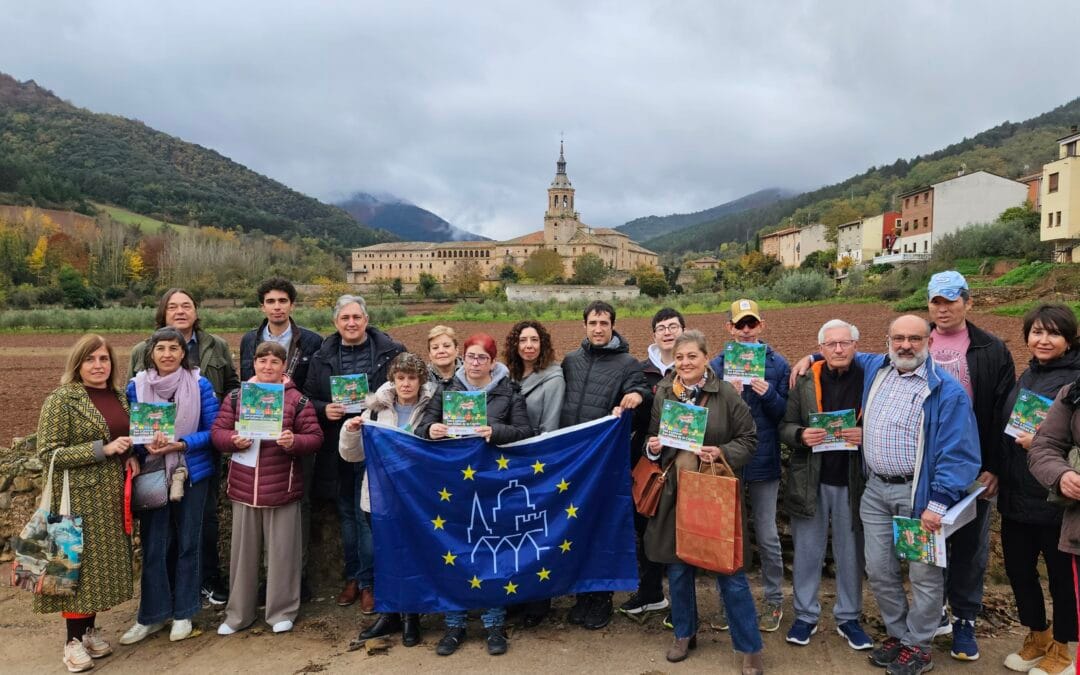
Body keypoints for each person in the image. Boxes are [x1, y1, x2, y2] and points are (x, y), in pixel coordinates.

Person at [859, 315, 980, 675]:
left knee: (924, 577)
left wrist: (937, 503)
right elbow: (838, 351)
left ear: (929, 341)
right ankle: (899, 635)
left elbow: (959, 453)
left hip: (919, 496)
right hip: (875, 491)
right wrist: (812, 357)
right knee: (879, 570)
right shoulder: (878, 371)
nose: (905, 345)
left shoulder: (945, 390)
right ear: (888, 340)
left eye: (914, 338)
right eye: (898, 338)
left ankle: (919, 646)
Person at [642, 330, 764, 672]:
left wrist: (721, 451)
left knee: (729, 571)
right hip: (676, 492)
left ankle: (749, 646)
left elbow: (749, 440)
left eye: (692, 357)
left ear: (705, 357)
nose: (685, 363)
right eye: (680, 358)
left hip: (712, 493)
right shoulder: (665, 391)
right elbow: (654, 438)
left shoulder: (724, 393)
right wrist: (652, 447)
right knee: (678, 568)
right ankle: (684, 633)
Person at [415, 333, 533, 656]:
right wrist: (432, 430)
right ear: (462, 359)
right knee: (455, 550)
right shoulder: (447, 389)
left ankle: (494, 622)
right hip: (454, 485)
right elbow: (421, 428)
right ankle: (455, 623)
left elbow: (525, 433)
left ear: (493, 361)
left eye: (483, 357)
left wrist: (497, 432)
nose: (476, 362)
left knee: (491, 551)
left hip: (493, 485)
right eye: (471, 356)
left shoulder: (509, 392)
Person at [34, 335, 138, 673]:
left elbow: (124, 437)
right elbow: (47, 453)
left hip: (108, 498)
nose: (98, 365)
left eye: (104, 359)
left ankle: (90, 632)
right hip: (74, 499)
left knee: (97, 573)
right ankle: (72, 643)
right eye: (90, 359)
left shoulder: (119, 396)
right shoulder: (62, 399)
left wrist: (130, 456)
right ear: (77, 364)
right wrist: (101, 450)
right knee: (73, 570)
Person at [129, 288, 240, 606]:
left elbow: (232, 386)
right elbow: (133, 402)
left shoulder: (214, 345)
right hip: (154, 459)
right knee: (160, 528)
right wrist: (141, 444)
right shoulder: (143, 349)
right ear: (162, 313)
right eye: (173, 306)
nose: (180, 311)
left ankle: (205, 582)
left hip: (200, 451)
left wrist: (220, 420)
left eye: (187, 305)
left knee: (203, 519)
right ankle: (168, 591)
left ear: (196, 311)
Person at [925, 270, 1014, 661]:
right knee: (930, 541)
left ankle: (964, 619)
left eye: (951, 301)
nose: (943, 309)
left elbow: (1001, 414)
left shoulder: (991, 350)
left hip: (973, 465)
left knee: (971, 547)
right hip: (924, 464)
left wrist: (993, 465)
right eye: (936, 302)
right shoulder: (916, 341)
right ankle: (935, 612)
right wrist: (811, 356)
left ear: (968, 302)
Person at [211, 342, 324, 634]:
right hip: (244, 488)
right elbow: (218, 433)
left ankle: (281, 611)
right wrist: (232, 439)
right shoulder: (237, 397)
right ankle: (238, 614)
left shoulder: (297, 400)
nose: (268, 367)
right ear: (254, 365)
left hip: (282, 488)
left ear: (284, 366)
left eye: (275, 361)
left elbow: (315, 437)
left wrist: (294, 442)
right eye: (263, 361)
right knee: (242, 557)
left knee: (283, 554)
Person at [303, 294, 404, 613]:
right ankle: (353, 576)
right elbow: (308, 396)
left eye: (356, 317)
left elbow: (406, 390)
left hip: (375, 443)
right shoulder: (321, 355)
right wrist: (324, 409)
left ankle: (369, 582)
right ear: (336, 322)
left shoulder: (391, 351)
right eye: (345, 318)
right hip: (336, 444)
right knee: (346, 511)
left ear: (366, 319)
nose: (351, 323)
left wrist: (377, 403)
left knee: (365, 514)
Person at [120, 327, 220, 645]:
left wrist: (181, 444)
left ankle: (184, 613)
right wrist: (141, 448)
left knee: (189, 543)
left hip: (191, 472)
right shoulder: (136, 387)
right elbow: (130, 431)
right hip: (151, 474)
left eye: (173, 348)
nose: (167, 354)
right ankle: (151, 615)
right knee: (155, 545)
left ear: (182, 353)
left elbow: (214, 431)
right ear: (151, 353)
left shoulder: (199, 384)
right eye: (160, 348)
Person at [778, 320, 872, 650]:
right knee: (806, 552)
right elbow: (786, 426)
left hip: (854, 481)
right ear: (820, 349)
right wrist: (801, 435)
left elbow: (904, 352)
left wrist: (867, 436)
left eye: (844, 343)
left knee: (851, 554)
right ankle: (805, 616)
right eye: (830, 344)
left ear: (855, 345)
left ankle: (849, 618)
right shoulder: (804, 378)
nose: (838, 349)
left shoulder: (872, 377)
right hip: (811, 481)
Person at [998, 305, 1080, 675]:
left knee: (1063, 579)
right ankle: (1038, 636)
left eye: (1053, 333)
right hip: (1018, 493)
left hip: (1058, 501)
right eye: (1036, 332)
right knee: (1019, 571)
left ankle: (1065, 648)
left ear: (1069, 339)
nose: (1043, 340)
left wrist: (1044, 444)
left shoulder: (1076, 381)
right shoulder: (1029, 374)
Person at [560, 300, 648, 630]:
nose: (598, 328)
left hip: (604, 464)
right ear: (584, 325)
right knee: (577, 529)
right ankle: (583, 595)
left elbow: (640, 391)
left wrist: (637, 397)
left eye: (604, 323)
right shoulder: (571, 360)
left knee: (603, 529)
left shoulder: (628, 363)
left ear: (613, 326)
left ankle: (602, 599)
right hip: (573, 462)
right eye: (593, 323)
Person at [340, 352, 437, 648]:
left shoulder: (433, 408)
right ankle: (389, 612)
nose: (406, 384)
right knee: (385, 556)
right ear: (392, 380)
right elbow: (352, 455)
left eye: (412, 378)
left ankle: (411, 617)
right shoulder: (375, 410)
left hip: (417, 496)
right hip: (379, 496)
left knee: (412, 555)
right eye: (401, 378)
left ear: (421, 380)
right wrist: (351, 431)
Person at [707, 299, 790, 633]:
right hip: (728, 461)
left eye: (751, 324)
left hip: (764, 461)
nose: (745, 330)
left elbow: (785, 415)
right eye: (739, 324)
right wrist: (731, 396)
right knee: (728, 536)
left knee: (768, 536)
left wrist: (768, 394)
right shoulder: (716, 364)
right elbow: (711, 419)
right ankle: (733, 603)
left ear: (761, 325)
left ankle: (773, 601)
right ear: (729, 327)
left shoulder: (779, 364)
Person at [238, 277, 322, 603]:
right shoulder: (249, 340)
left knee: (299, 505)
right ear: (262, 306)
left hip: (294, 436)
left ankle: (295, 578)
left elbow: (314, 391)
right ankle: (265, 580)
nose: (277, 306)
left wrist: (294, 422)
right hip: (256, 441)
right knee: (257, 507)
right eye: (270, 301)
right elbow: (245, 385)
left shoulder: (311, 342)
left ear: (292, 305)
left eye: (282, 301)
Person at [621, 308, 682, 620]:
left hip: (686, 462)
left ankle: (683, 604)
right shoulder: (640, 370)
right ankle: (651, 593)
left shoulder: (696, 368)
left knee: (681, 531)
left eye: (673, 326)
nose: (667, 332)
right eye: (661, 327)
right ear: (654, 334)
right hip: (647, 460)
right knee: (645, 527)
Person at [503, 319, 565, 626]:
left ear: (542, 345)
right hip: (506, 465)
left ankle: (539, 603)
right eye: (523, 340)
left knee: (537, 535)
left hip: (536, 464)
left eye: (534, 340)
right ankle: (516, 596)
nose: (528, 345)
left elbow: (550, 426)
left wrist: (536, 463)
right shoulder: (507, 376)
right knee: (511, 535)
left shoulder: (553, 378)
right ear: (515, 345)